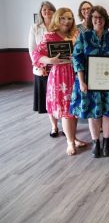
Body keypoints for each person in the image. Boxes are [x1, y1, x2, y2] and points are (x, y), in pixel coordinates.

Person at [32, 8, 87, 155]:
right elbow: (37, 55)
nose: (66, 21)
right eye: (63, 18)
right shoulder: (49, 36)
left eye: (69, 18)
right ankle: (69, 142)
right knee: (65, 111)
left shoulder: (76, 33)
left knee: (74, 110)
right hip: (60, 76)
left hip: (76, 74)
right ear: (57, 18)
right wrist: (50, 60)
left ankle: (74, 138)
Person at [70, 5, 109, 158]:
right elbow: (77, 58)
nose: (98, 20)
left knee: (108, 113)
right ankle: (96, 142)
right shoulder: (83, 37)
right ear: (90, 19)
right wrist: (81, 81)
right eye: (95, 17)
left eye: (101, 17)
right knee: (94, 113)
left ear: (105, 20)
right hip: (88, 83)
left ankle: (106, 142)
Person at [28, 1, 59, 137]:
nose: (47, 12)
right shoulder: (35, 27)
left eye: (49, 9)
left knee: (58, 97)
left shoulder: (59, 26)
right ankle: (54, 126)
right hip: (41, 68)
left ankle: (64, 125)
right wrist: (39, 66)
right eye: (44, 10)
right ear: (41, 12)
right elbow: (32, 49)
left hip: (57, 67)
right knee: (47, 99)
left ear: (54, 11)